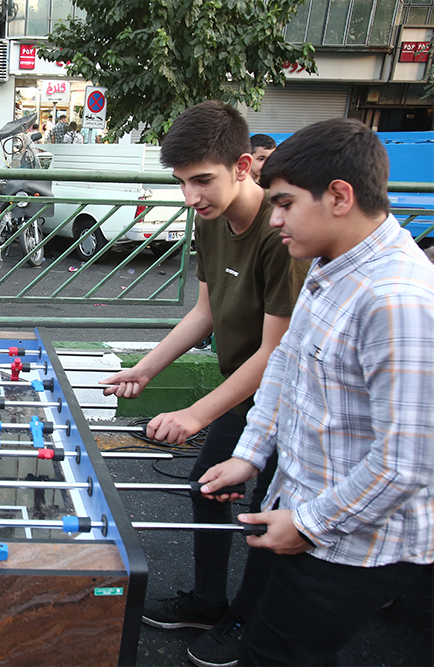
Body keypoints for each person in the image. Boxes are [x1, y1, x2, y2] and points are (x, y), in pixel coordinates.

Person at [199, 118, 434, 666]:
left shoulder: (395, 300)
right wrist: (250, 454)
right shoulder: (330, 266)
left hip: (352, 543)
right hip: (309, 510)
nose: (275, 218)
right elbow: (285, 365)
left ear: (340, 197)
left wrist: (308, 525)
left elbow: (406, 464)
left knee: (274, 654)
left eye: (285, 203)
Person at [101, 100, 303, 667]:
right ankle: (209, 603)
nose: (191, 196)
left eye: (203, 180)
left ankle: (246, 621)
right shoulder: (211, 221)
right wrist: (146, 367)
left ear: (243, 166)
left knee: (268, 512)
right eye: (182, 183)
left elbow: (276, 352)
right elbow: (204, 313)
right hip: (240, 391)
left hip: (289, 399)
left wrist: (196, 414)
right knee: (208, 488)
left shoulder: (282, 233)